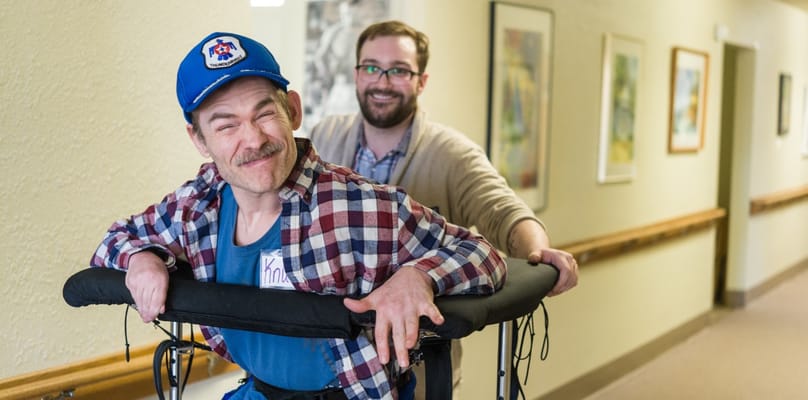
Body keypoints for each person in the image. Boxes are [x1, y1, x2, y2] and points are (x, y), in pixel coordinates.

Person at [89, 32, 507, 400]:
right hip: (258, 391)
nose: (253, 139)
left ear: (292, 110)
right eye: (226, 125)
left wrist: (418, 277)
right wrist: (142, 258)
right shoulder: (198, 205)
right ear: (199, 140)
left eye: (264, 114)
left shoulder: (359, 207)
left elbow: (483, 254)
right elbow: (116, 237)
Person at [308, 20, 579, 398]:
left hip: (417, 366)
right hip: (329, 363)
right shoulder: (323, 139)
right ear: (356, 75)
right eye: (371, 67)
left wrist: (536, 249)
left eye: (399, 70)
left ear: (421, 81)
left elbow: (503, 211)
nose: (382, 82)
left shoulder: (452, 153)